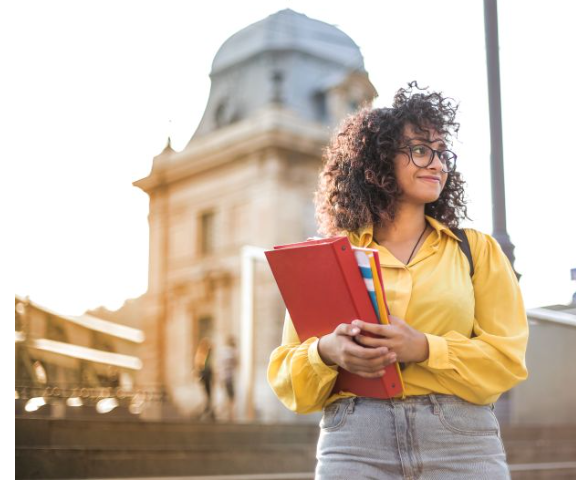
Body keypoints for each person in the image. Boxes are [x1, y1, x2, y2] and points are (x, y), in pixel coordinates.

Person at [267, 82, 529, 479]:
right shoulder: (331, 258)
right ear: (379, 160)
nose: (438, 163)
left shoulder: (476, 251)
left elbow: (507, 361)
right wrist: (326, 352)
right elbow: (289, 378)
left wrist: (424, 348)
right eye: (421, 149)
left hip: (460, 439)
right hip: (354, 439)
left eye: (443, 153)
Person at [218, 336, 239, 421]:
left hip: (223, 376)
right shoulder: (232, 352)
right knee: (231, 397)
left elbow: (219, 365)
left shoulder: (223, 351)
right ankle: (230, 414)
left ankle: (227, 414)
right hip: (229, 377)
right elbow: (236, 363)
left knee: (227, 395)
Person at [194, 337, 214, 420]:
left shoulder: (205, 354)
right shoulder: (201, 354)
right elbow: (200, 366)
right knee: (207, 394)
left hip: (207, 376)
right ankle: (206, 409)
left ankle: (208, 409)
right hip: (205, 375)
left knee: (208, 394)